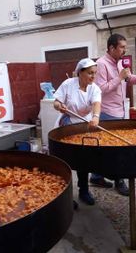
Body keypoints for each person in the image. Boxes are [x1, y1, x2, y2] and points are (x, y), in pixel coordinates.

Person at [90, 33, 136, 196]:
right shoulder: (101, 64)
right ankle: (119, 181)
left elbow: (128, 79)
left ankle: (96, 176)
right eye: (122, 47)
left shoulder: (120, 62)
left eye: (124, 47)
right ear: (111, 48)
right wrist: (118, 77)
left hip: (120, 110)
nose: (124, 50)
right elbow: (99, 89)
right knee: (116, 151)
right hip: (108, 112)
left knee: (106, 149)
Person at [53, 58, 102, 205]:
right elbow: (56, 102)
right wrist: (59, 106)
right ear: (80, 72)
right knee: (63, 161)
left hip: (83, 125)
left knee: (82, 160)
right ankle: (64, 196)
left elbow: (96, 104)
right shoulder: (68, 84)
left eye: (95, 73)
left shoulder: (94, 88)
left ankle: (84, 191)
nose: (93, 76)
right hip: (66, 124)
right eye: (90, 73)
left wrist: (95, 117)